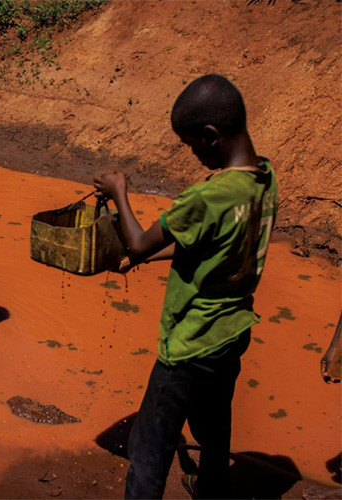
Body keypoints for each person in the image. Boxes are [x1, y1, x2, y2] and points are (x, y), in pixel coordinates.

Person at [93, 74, 278, 499]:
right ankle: (212, 488)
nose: (193, 153)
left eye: (192, 144)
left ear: (211, 137)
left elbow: (138, 241)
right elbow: (215, 248)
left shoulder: (207, 196)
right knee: (214, 427)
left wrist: (120, 193)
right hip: (232, 332)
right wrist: (146, 258)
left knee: (148, 449)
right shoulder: (264, 179)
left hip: (191, 342)